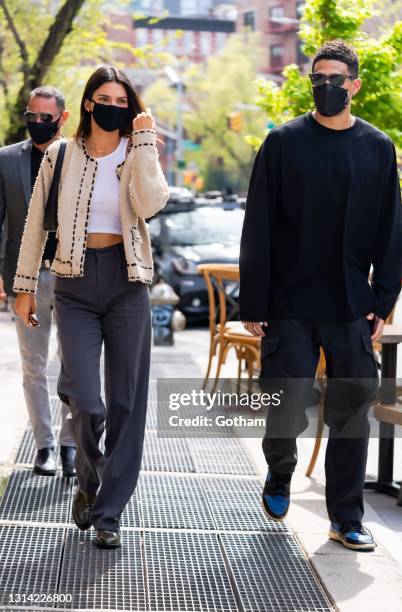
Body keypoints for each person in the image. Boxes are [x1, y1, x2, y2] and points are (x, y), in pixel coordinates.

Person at [239, 40, 402, 552]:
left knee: (351, 412)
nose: (326, 86)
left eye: (336, 78)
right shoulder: (283, 143)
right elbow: (258, 226)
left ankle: (347, 517)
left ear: (354, 84)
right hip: (288, 303)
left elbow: (389, 232)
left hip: (352, 303)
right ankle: (280, 472)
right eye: (318, 77)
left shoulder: (377, 147)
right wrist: (255, 303)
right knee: (286, 407)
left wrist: (383, 297)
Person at [13, 64, 169, 549]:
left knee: (126, 401)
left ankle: (108, 514)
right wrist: (22, 286)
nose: (114, 108)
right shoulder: (60, 155)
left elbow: (151, 204)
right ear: (87, 103)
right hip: (74, 283)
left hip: (127, 283)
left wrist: (142, 143)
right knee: (84, 397)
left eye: (123, 102)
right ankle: (87, 478)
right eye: (106, 98)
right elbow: (35, 223)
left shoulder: (137, 150)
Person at [0, 86, 77, 478]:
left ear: (62, 118)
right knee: (33, 367)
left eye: (45, 117)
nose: (36, 123)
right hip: (24, 281)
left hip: (70, 279)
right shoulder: (6, 159)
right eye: (31, 115)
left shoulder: (79, 158)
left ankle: (69, 445)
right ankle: (44, 446)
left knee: (73, 366)